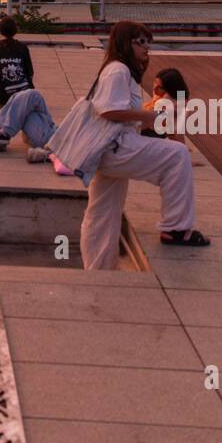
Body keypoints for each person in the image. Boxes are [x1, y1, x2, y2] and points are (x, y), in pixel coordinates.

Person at [50, 21, 209, 269]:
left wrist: (149, 118)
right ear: (127, 43)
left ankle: (98, 268)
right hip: (115, 146)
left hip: (107, 148)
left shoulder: (117, 69)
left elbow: (114, 111)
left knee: (103, 211)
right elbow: (110, 111)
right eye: (141, 42)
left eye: (148, 42)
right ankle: (176, 229)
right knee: (177, 155)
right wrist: (149, 116)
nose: (147, 48)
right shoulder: (118, 70)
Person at [0, 16, 32, 108]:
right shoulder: (23, 48)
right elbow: (30, 74)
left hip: (3, 96)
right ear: (15, 30)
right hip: (23, 94)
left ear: (1, 31)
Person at [141, 67, 190, 144]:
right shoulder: (160, 92)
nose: (154, 88)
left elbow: (176, 131)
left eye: (159, 87)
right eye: (154, 83)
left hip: (150, 131)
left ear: (170, 89)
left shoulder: (176, 100)